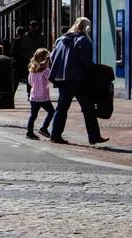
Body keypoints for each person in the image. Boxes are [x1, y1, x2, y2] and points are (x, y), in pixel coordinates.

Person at [48, 17, 109, 145]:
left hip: (64, 78)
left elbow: (53, 56)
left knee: (62, 107)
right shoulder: (83, 40)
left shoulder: (62, 39)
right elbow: (84, 60)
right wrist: (95, 68)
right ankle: (94, 136)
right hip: (78, 79)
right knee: (88, 108)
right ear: (87, 28)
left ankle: (55, 134)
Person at [26, 48, 55, 140]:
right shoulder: (46, 71)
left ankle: (29, 132)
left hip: (34, 96)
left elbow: (30, 82)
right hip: (43, 96)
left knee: (33, 115)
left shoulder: (32, 71)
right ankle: (44, 128)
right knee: (51, 111)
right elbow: (51, 79)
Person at [20, 20, 46, 98]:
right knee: (40, 76)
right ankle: (40, 92)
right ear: (37, 27)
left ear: (30, 27)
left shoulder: (25, 37)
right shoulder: (41, 37)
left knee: (29, 76)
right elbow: (44, 48)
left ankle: (30, 92)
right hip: (39, 60)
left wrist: (25, 56)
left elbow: (22, 49)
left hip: (28, 60)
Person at [11, 26, 26, 94]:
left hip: (17, 62)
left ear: (17, 33)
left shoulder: (16, 40)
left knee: (15, 80)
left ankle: (13, 93)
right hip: (25, 61)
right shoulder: (27, 39)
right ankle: (29, 94)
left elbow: (12, 51)